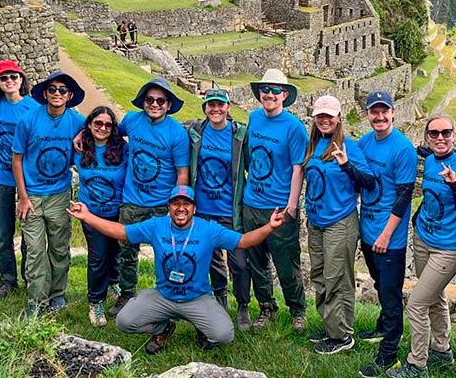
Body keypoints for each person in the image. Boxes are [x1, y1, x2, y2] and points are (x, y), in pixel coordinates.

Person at [67, 186, 288, 353]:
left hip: (197, 298)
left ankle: (202, 327)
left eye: (186, 203)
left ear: (194, 207)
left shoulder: (208, 229)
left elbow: (244, 241)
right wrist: (87, 216)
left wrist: (270, 226)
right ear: (169, 207)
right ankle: (163, 328)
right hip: (163, 296)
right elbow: (121, 232)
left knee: (224, 335)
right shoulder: (157, 226)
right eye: (176, 203)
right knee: (124, 322)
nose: (181, 208)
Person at [390, 114, 456, 378]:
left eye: (446, 132)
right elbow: (427, 196)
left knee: (416, 303)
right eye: (434, 133)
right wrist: (417, 220)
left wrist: (455, 184)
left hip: (449, 247)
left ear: (454, 135)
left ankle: (417, 364)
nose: (440, 137)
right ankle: (442, 348)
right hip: (423, 240)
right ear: (427, 137)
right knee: (434, 297)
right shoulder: (428, 162)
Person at [106, 77, 190, 317]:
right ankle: (126, 293)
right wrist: (82, 136)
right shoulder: (132, 120)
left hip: (161, 203)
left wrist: (178, 205)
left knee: (167, 253)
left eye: (160, 100)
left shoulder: (176, 133)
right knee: (126, 252)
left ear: (168, 104)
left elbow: (182, 173)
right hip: (132, 200)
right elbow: (108, 132)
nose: (155, 104)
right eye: (150, 99)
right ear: (143, 102)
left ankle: (166, 297)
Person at [303, 95, 374, 354]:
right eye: (320, 116)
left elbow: (369, 180)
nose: (324, 120)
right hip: (316, 221)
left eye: (329, 116)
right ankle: (331, 325)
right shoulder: (313, 144)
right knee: (320, 276)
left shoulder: (349, 146)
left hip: (339, 221)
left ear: (338, 118)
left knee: (337, 279)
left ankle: (342, 335)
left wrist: (346, 165)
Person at [12, 71, 86, 316]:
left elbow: (100, 130)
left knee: (59, 247)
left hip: (59, 194)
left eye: (62, 90)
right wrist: (22, 196)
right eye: (52, 89)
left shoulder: (76, 121)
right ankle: (36, 300)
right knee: (34, 251)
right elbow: (17, 158)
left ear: (70, 96)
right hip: (31, 195)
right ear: (44, 93)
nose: (57, 94)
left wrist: (83, 135)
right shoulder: (29, 120)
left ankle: (57, 293)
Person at [355, 90, 418, 377]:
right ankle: (382, 327)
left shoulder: (402, 148)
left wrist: (386, 235)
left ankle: (389, 354)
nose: (379, 117)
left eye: (384, 111)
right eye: (374, 112)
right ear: (367, 114)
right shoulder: (365, 142)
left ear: (393, 112)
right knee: (380, 285)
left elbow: (404, 196)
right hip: (368, 230)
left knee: (391, 293)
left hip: (388, 238)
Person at [242, 68, 309, 333]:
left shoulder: (294, 128)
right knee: (256, 263)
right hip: (252, 204)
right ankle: (266, 307)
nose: (269, 94)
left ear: (284, 95)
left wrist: (291, 206)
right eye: (265, 89)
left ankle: (298, 310)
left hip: (279, 206)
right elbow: (248, 155)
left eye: (275, 90)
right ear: (259, 93)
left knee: (286, 263)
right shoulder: (254, 118)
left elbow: (297, 169)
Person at [187, 87, 253, 330]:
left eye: (220, 105)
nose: (215, 109)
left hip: (230, 209)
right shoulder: (195, 133)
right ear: (205, 108)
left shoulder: (239, 135)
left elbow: (252, 166)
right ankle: (220, 299)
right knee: (213, 259)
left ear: (228, 107)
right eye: (211, 105)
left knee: (239, 262)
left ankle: (244, 304)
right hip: (204, 209)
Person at [0, 60, 39, 300]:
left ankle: (30, 276)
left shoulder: (33, 107)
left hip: (27, 179)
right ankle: (8, 280)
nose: (9, 81)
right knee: (3, 233)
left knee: (29, 232)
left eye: (13, 77)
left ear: (21, 80)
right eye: (4, 78)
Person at [76, 106, 128, 327]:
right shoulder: (79, 147)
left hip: (116, 211)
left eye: (108, 124)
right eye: (98, 123)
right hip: (91, 213)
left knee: (115, 251)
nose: (102, 128)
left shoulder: (122, 149)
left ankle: (113, 283)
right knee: (98, 257)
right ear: (89, 124)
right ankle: (95, 301)